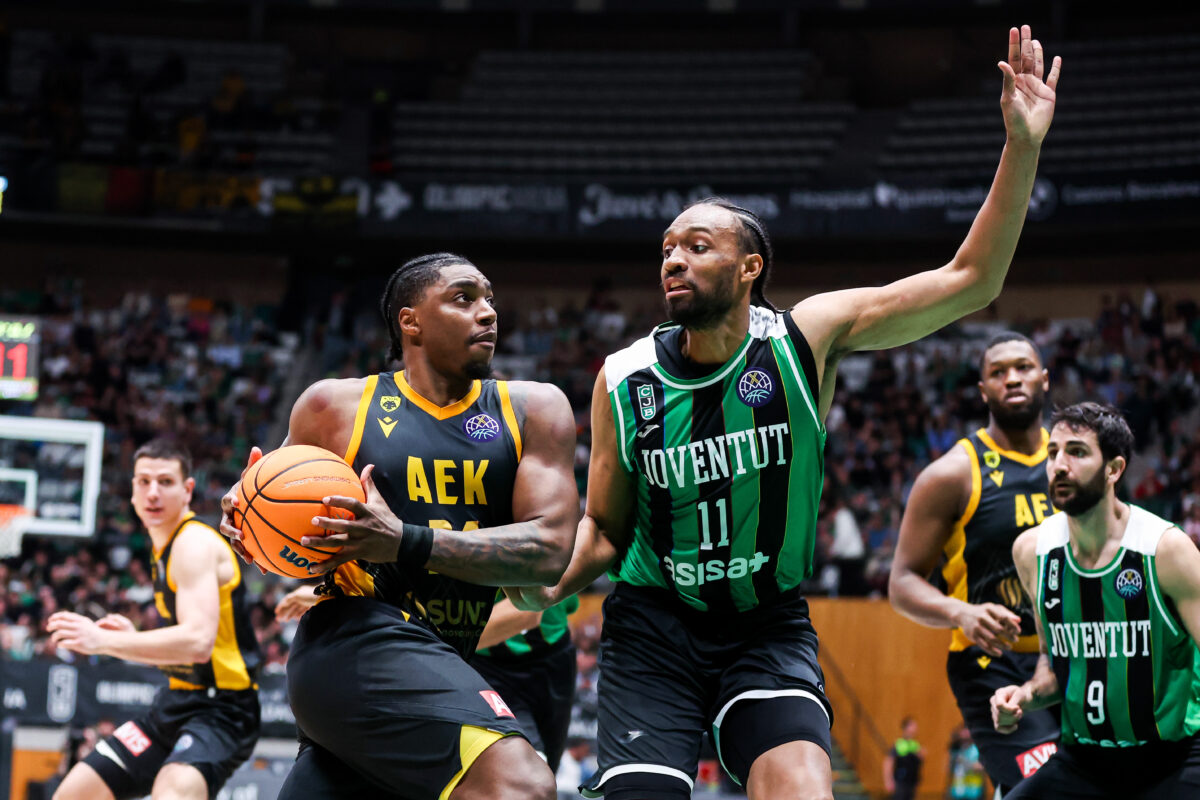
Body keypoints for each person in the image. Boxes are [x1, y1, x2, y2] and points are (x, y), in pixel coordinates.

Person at [510, 25, 1062, 800]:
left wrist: (1022, 146)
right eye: (667, 247)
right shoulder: (623, 380)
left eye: (698, 246)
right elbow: (605, 528)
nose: (674, 258)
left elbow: (971, 280)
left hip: (766, 624)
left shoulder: (805, 340)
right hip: (654, 628)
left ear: (749, 267)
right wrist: (532, 592)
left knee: (803, 788)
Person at [221, 252, 578, 800]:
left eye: (489, 299)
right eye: (464, 298)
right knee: (521, 787)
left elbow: (551, 549)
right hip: (354, 639)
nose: (488, 313)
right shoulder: (334, 406)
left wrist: (404, 541)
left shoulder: (534, 410)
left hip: (441, 653)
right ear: (410, 321)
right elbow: (273, 516)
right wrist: (245, 518)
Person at [991, 403, 1200, 799]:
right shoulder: (1032, 552)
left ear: (1114, 469)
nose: (1059, 465)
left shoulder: (1165, 550)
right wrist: (1025, 695)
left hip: (1174, 761)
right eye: (1053, 453)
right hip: (1082, 763)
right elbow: (1055, 667)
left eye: (1077, 452)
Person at [888, 332, 1060, 793]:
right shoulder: (951, 474)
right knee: (1043, 782)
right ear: (983, 391)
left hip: (1069, 654)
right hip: (990, 662)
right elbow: (901, 582)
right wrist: (959, 611)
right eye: (998, 372)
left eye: (1023, 367)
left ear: (1044, 379)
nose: (1012, 379)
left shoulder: (1074, 461)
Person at [47, 440, 262, 800]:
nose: (152, 492)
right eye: (143, 481)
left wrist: (104, 642)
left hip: (223, 712)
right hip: (175, 703)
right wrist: (133, 640)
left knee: (171, 794)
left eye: (164, 481)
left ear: (187, 490)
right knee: (73, 794)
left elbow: (197, 643)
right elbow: (185, 653)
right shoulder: (163, 546)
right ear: (131, 490)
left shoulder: (192, 543)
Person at [274, 585, 579, 773]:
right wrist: (330, 592)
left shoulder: (522, 501)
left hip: (551, 660)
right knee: (519, 772)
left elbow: (525, 612)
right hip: (477, 662)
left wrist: (421, 637)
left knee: (543, 774)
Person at [883, 717, 924, 800]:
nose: (916, 727)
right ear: (906, 727)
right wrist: (888, 780)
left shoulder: (915, 745)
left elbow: (918, 762)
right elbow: (888, 762)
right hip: (901, 780)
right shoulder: (899, 744)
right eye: (913, 725)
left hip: (912, 781)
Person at [946, 726, 986, 800]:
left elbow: (981, 767)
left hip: (974, 792)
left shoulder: (977, 748)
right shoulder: (956, 749)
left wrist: (966, 763)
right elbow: (950, 770)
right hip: (958, 791)